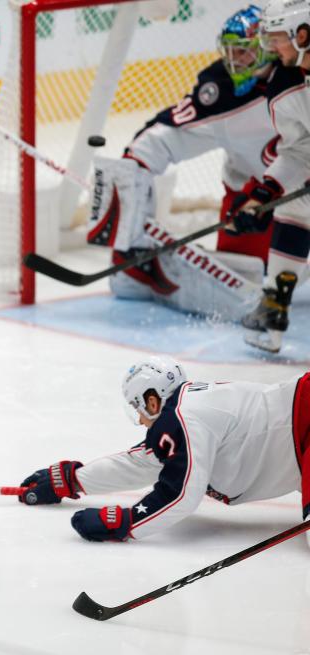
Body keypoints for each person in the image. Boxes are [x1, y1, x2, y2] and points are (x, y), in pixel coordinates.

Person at [88, 5, 277, 322]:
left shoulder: (299, 80)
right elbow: (165, 135)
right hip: (254, 201)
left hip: (294, 194)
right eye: (231, 51)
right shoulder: (222, 92)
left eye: (244, 52)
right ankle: (143, 270)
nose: (234, 61)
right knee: (250, 283)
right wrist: (133, 167)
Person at [16, 355, 310, 543]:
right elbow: (144, 462)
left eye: (138, 407)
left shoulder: (183, 417)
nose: (141, 419)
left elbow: (182, 494)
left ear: (152, 399)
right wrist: (73, 480)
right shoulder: (187, 409)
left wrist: (129, 522)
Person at [223, 0, 310, 353]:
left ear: (303, 35)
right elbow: (298, 150)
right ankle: (275, 299)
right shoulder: (286, 84)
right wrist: (263, 195)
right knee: (297, 205)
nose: (270, 48)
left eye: (277, 38)